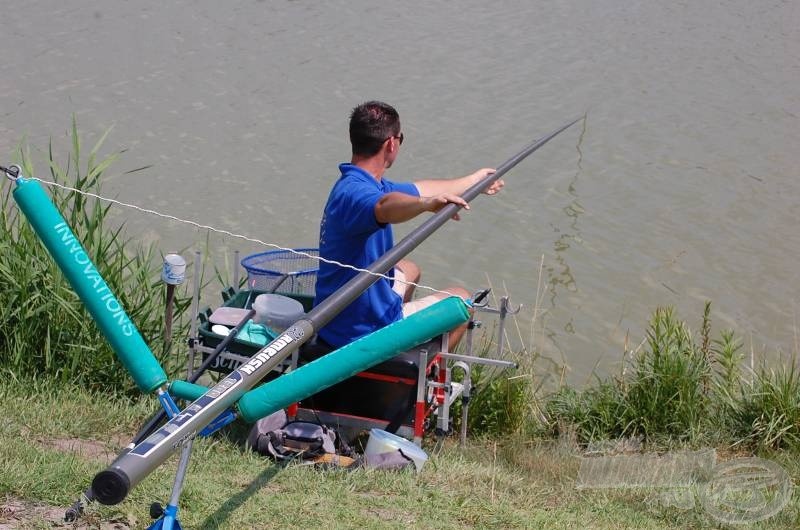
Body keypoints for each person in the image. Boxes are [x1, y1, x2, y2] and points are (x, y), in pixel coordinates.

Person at [313, 101, 503, 349]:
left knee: (409, 269)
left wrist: (476, 180)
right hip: (360, 329)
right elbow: (385, 207)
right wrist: (425, 204)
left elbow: (423, 188)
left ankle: (401, 339)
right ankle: (417, 376)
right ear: (391, 144)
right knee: (463, 300)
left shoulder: (360, 181)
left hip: (337, 316)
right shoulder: (358, 194)